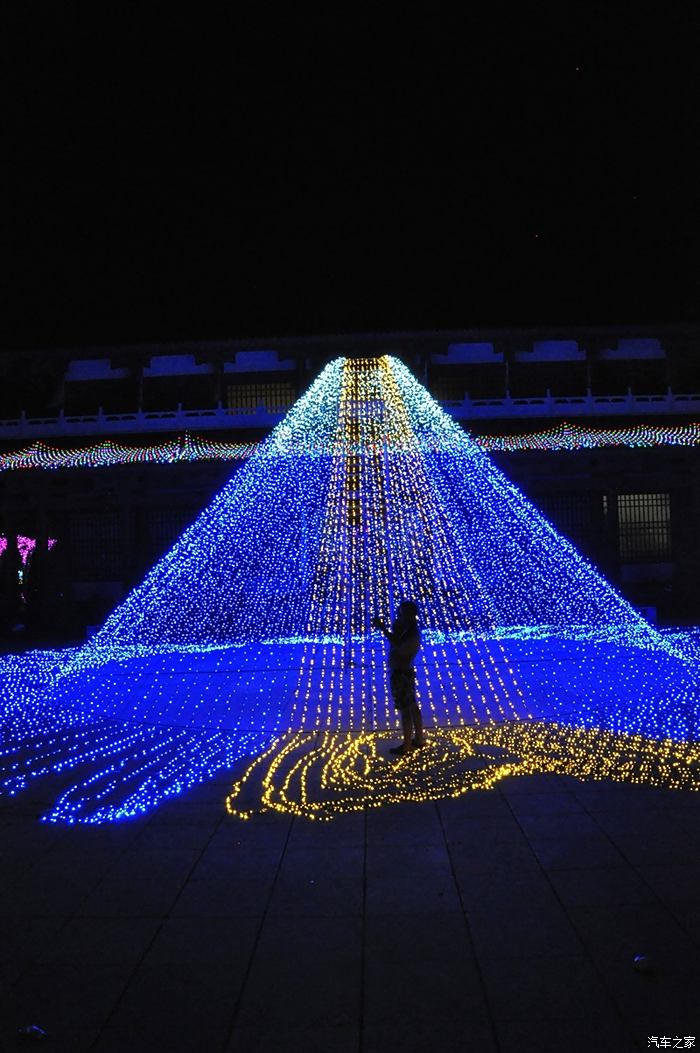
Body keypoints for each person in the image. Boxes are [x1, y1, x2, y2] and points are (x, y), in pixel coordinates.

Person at [372, 600, 426, 756]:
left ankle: (407, 745)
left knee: (405, 708)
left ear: (408, 614)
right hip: (405, 670)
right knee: (412, 705)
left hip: (401, 672)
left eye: (401, 612)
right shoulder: (409, 629)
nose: (398, 614)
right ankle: (419, 738)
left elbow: (396, 642)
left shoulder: (410, 631)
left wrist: (382, 628)